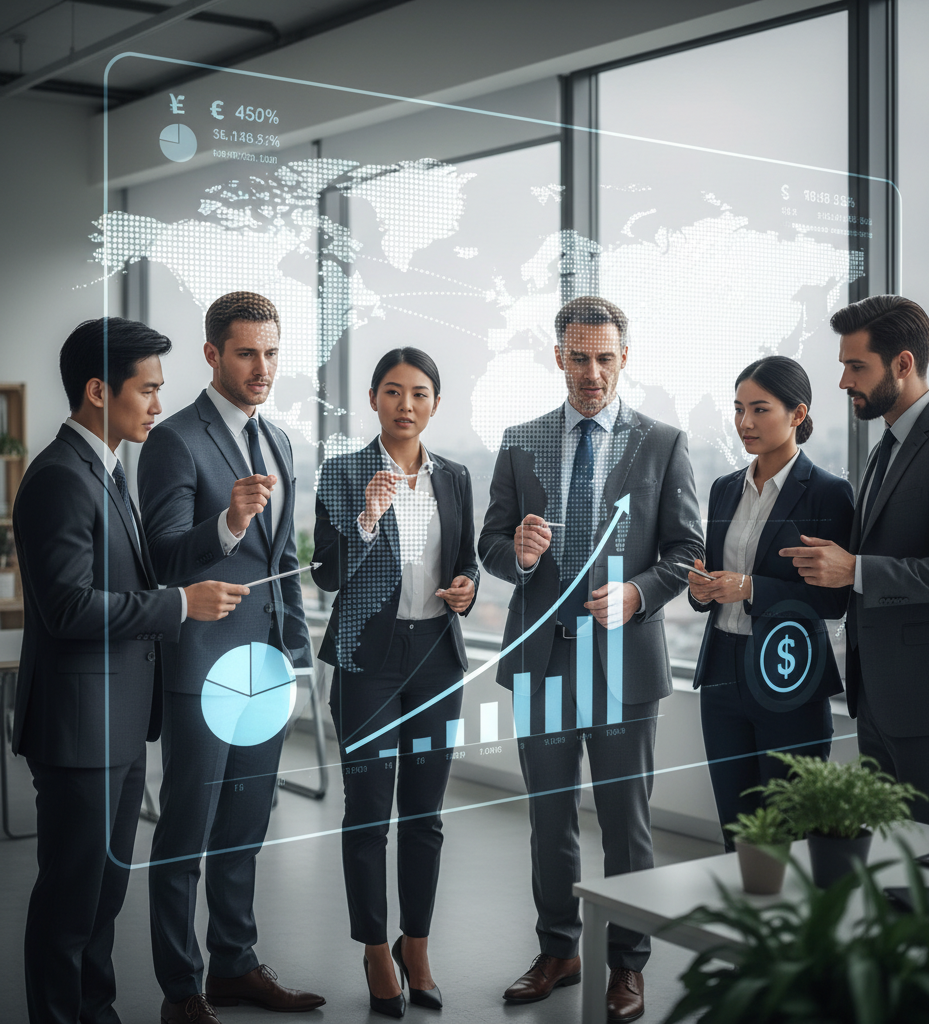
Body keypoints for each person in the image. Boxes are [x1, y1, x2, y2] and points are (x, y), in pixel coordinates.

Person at [11, 318, 246, 1024]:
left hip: (114, 723)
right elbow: (66, 608)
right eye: (146, 390)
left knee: (104, 894)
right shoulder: (59, 478)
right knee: (71, 899)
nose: (155, 404)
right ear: (96, 391)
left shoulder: (109, 469)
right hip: (80, 727)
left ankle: (98, 1012)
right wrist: (177, 605)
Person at [478, 296, 703, 1023]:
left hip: (623, 666)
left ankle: (628, 964)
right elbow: (489, 548)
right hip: (543, 663)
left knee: (626, 824)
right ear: (558, 358)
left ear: (624, 359)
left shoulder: (663, 443)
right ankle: (559, 949)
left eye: (605, 358)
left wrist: (637, 596)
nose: (592, 372)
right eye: (579, 358)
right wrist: (515, 553)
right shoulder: (520, 442)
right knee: (549, 821)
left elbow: (686, 552)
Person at [138, 293, 323, 1024]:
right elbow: (161, 553)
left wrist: (298, 657)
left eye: (272, 353)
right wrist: (228, 520)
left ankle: (235, 966)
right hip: (202, 662)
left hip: (266, 665)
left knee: (246, 827)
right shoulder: (173, 441)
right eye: (247, 353)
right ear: (212, 354)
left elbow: (279, 564)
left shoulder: (275, 439)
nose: (262, 368)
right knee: (186, 832)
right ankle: (181, 988)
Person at [782, 294, 929, 831]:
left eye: (855, 367)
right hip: (883, 697)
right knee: (889, 863)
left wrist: (855, 570)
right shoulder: (887, 444)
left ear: (902, 364)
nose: (842, 382)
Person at [312, 347, 478, 1019]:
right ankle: (376, 949)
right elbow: (324, 573)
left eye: (419, 393)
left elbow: (464, 560)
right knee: (368, 812)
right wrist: (365, 520)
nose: (405, 405)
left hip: (436, 653)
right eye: (391, 392)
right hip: (368, 660)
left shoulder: (457, 477)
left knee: (426, 816)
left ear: (435, 403)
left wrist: (467, 588)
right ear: (374, 401)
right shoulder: (345, 471)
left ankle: (417, 946)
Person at [687, 356, 854, 847]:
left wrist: (751, 588)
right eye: (738, 409)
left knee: (790, 831)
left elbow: (836, 598)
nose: (745, 423)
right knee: (736, 831)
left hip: (788, 673)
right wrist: (703, 589)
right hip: (722, 672)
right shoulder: (722, 490)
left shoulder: (829, 494)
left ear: (797, 415)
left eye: (760, 410)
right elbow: (715, 576)